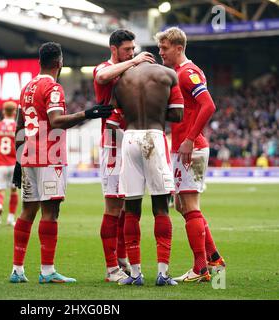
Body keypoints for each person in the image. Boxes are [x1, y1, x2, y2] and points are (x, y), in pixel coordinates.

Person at [9, 42, 113, 284]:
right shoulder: (53, 87)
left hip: (28, 156)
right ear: (59, 62)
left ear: (40, 62)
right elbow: (56, 121)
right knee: (50, 212)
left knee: (27, 211)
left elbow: (19, 125)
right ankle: (47, 271)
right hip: (50, 156)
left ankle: (17, 269)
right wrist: (87, 114)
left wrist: (18, 159)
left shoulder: (27, 87)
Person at [155, 27, 226, 282]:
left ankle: (201, 269)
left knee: (189, 205)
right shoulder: (179, 73)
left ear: (178, 48)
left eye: (164, 48)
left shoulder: (188, 73)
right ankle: (213, 257)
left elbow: (209, 105)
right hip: (184, 147)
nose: (161, 52)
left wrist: (188, 139)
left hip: (191, 148)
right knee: (184, 206)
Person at [113, 58, 184, 286]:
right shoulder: (168, 74)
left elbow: (116, 117)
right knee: (161, 207)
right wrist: (155, 112)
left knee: (131, 209)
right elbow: (178, 115)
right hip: (154, 136)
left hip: (130, 138)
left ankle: (135, 274)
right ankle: (162, 273)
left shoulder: (121, 78)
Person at [93, 29, 155, 282]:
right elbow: (103, 76)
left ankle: (121, 259)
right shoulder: (105, 67)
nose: (132, 53)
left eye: (133, 49)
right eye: (127, 49)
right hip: (113, 145)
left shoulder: (132, 69)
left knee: (128, 206)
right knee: (112, 207)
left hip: (134, 142)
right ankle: (111, 269)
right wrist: (135, 61)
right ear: (114, 49)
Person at [0, 101, 19, 227]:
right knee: (14, 191)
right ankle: (11, 218)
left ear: (3, 111)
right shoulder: (18, 127)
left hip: (1, 164)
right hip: (14, 164)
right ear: (14, 112)